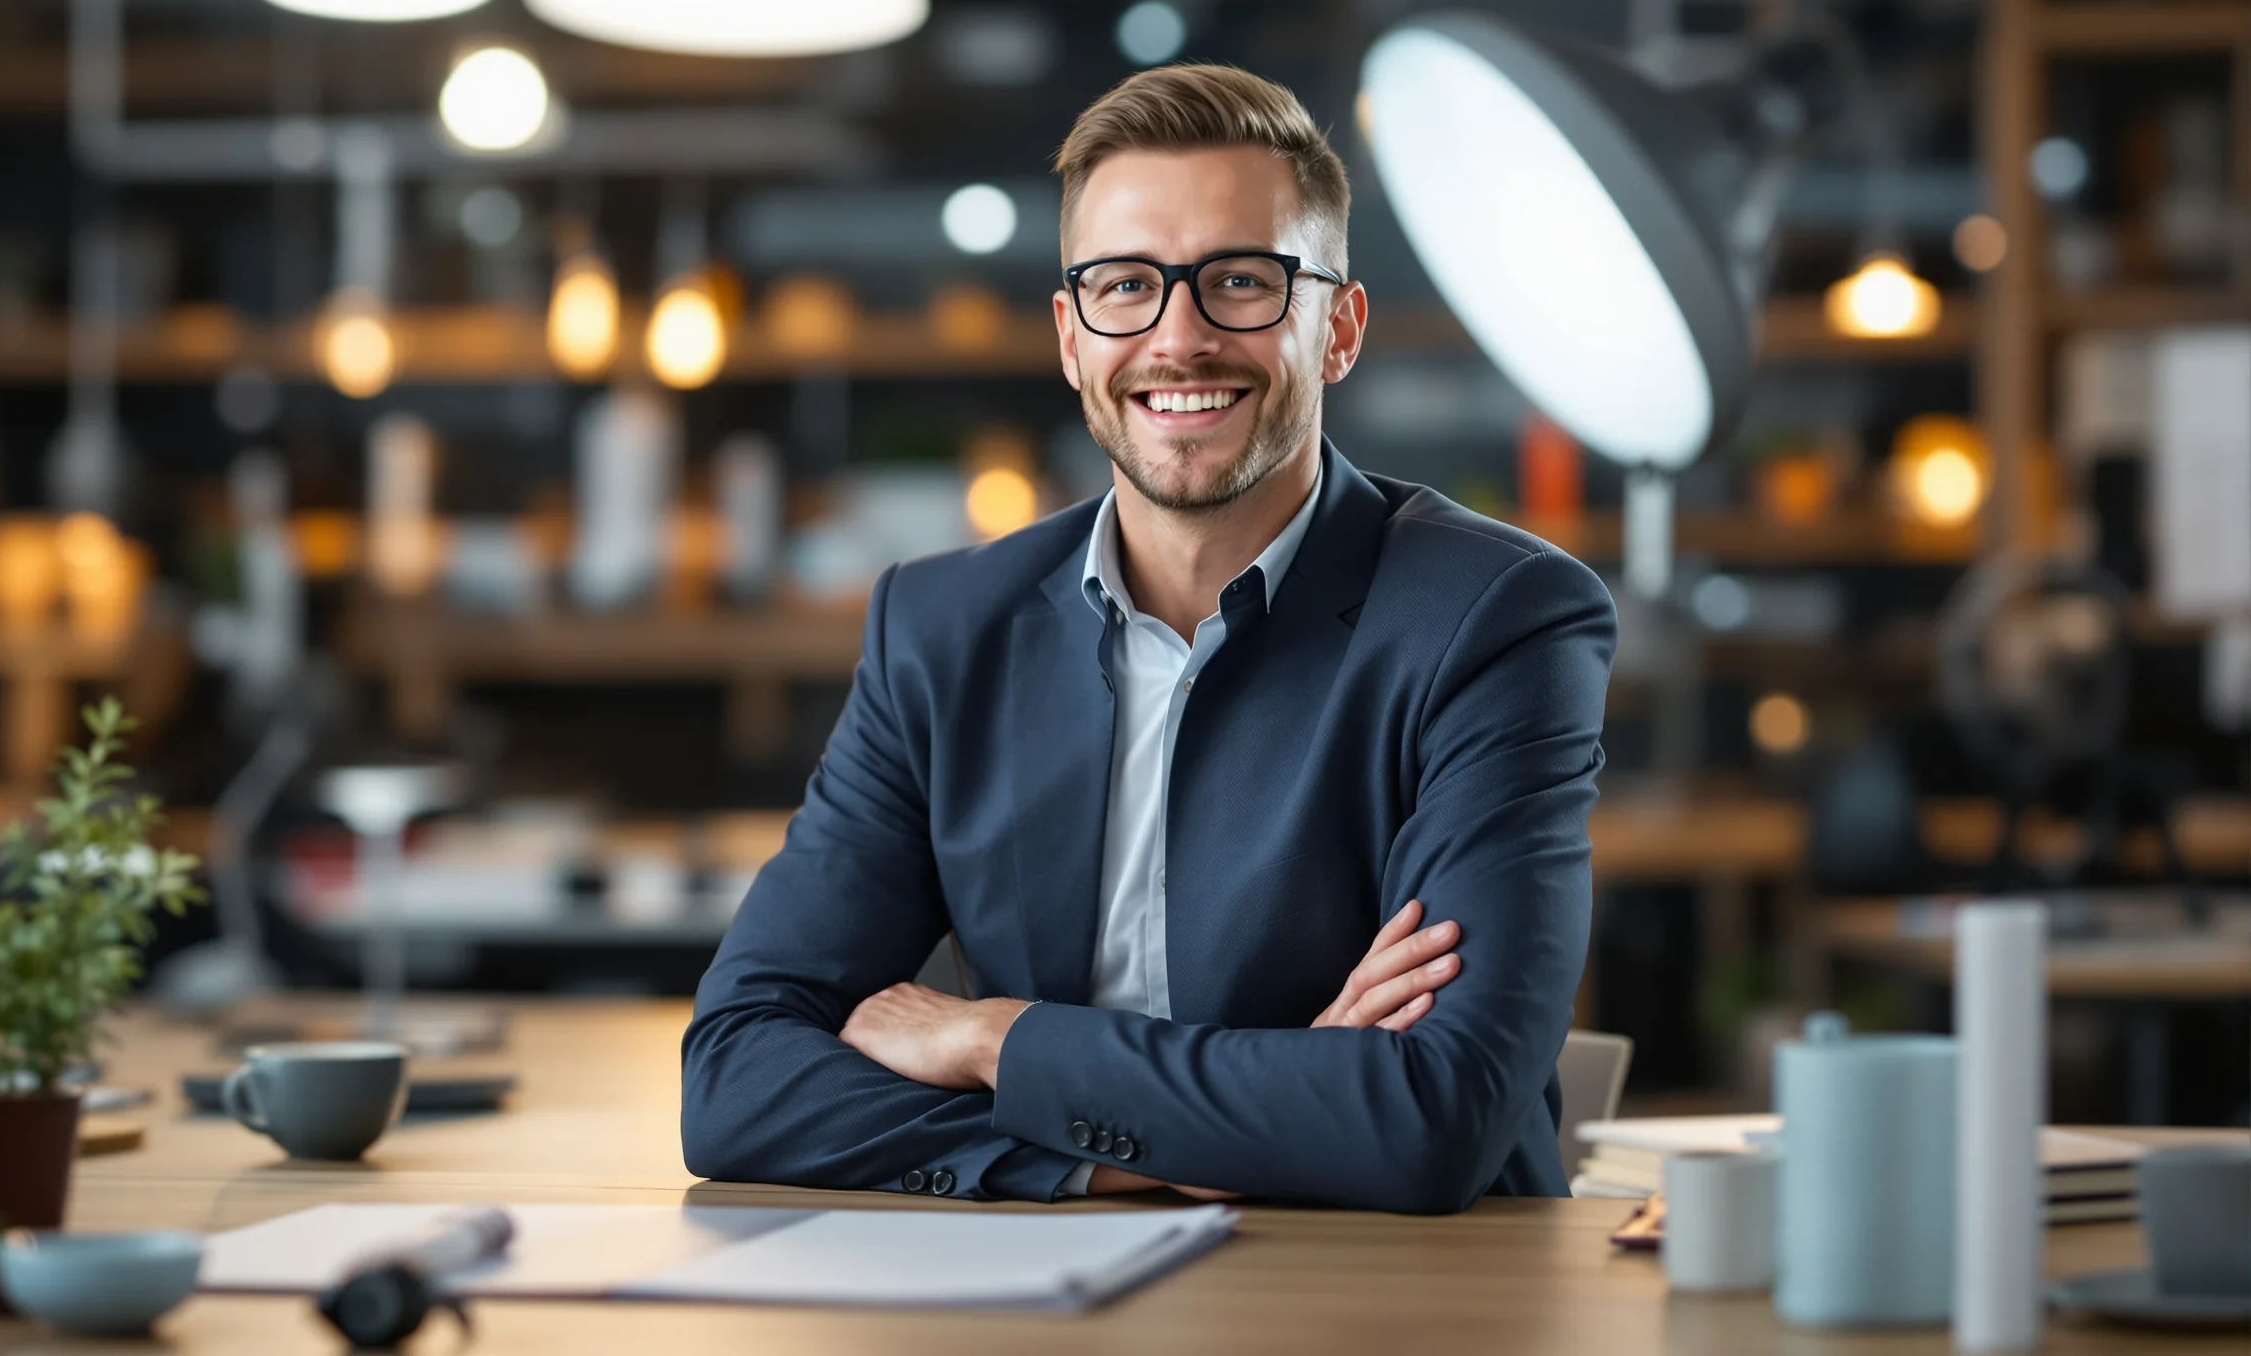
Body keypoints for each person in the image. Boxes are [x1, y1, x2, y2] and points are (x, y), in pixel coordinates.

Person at [681, 64, 1616, 1211]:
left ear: (1339, 329)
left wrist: (1000, 1042)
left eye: (1241, 281)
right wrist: (1186, 1140)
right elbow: (734, 1081)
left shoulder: (1496, 619)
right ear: (1072, 338)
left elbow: (1427, 1115)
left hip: (1398, 1303)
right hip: (1051, 1298)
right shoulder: (940, 631)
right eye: (1126, 286)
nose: (1178, 339)